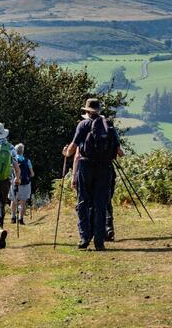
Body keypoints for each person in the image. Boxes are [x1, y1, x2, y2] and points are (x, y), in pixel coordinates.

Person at [64, 98, 123, 251]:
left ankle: (84, 238)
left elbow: (72, 149)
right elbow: (120, 152)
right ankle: (99, 241)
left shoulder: (83, 125)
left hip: (86, 166)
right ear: (99, 110)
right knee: (101, 204)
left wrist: (66, 152)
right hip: (104, 168)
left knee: (83, 201)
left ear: (88, 111)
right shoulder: (108, 125)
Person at [9, 143, 34, 225]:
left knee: (13, 200)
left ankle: (13, 217)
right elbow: (32, 174)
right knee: (23, 202)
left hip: (15, 182)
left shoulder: (13, 160)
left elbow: (10, 172)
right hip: (25, 183)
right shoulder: (27, 161)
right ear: (23, 151)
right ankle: (21, 219)